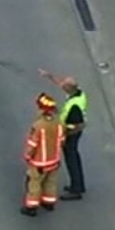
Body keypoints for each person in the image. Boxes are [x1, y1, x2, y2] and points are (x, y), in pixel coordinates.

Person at [40, 69, 87, 200]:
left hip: (71, 134)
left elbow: (80, 125)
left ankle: (76, 189)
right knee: (73, 158)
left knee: (72, 160)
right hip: (70, 131)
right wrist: (49, 76)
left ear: (70, 88)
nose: (62, 86)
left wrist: (65, 136)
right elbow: (60, 83)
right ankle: (78, 185)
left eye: (65, 85)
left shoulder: (75, 106)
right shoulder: (78, 93)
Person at [22, 92, 65, 216]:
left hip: (39, 163)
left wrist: (27, 156)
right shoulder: (59, 124)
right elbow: (62, 141)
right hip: (54, 160)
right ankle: (48, 202)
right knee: (50, 182)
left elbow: (32, 144)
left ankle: (31, 207)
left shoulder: (38, 126)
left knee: (34, 184)